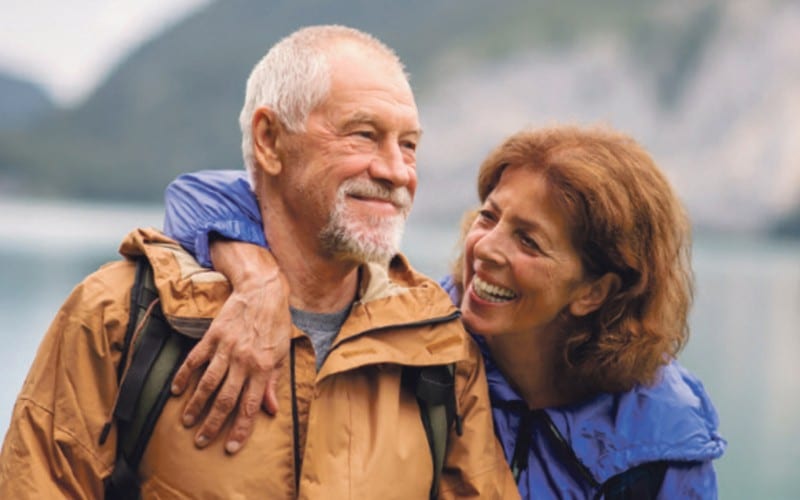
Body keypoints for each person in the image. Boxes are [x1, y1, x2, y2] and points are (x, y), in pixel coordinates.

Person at [0, 25, 516, 498]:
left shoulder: (439, 347)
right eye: (363, 134)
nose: (396, 171)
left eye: (408, 145)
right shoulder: (119, 314)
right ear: (270, 140)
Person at [160, 125, 727, 498]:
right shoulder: (415, 330)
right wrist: (256, 277)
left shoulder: (664, 437)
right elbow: (197, 194)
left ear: (595, 291)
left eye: (529, 242)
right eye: (489, 216)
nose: (487, 249)